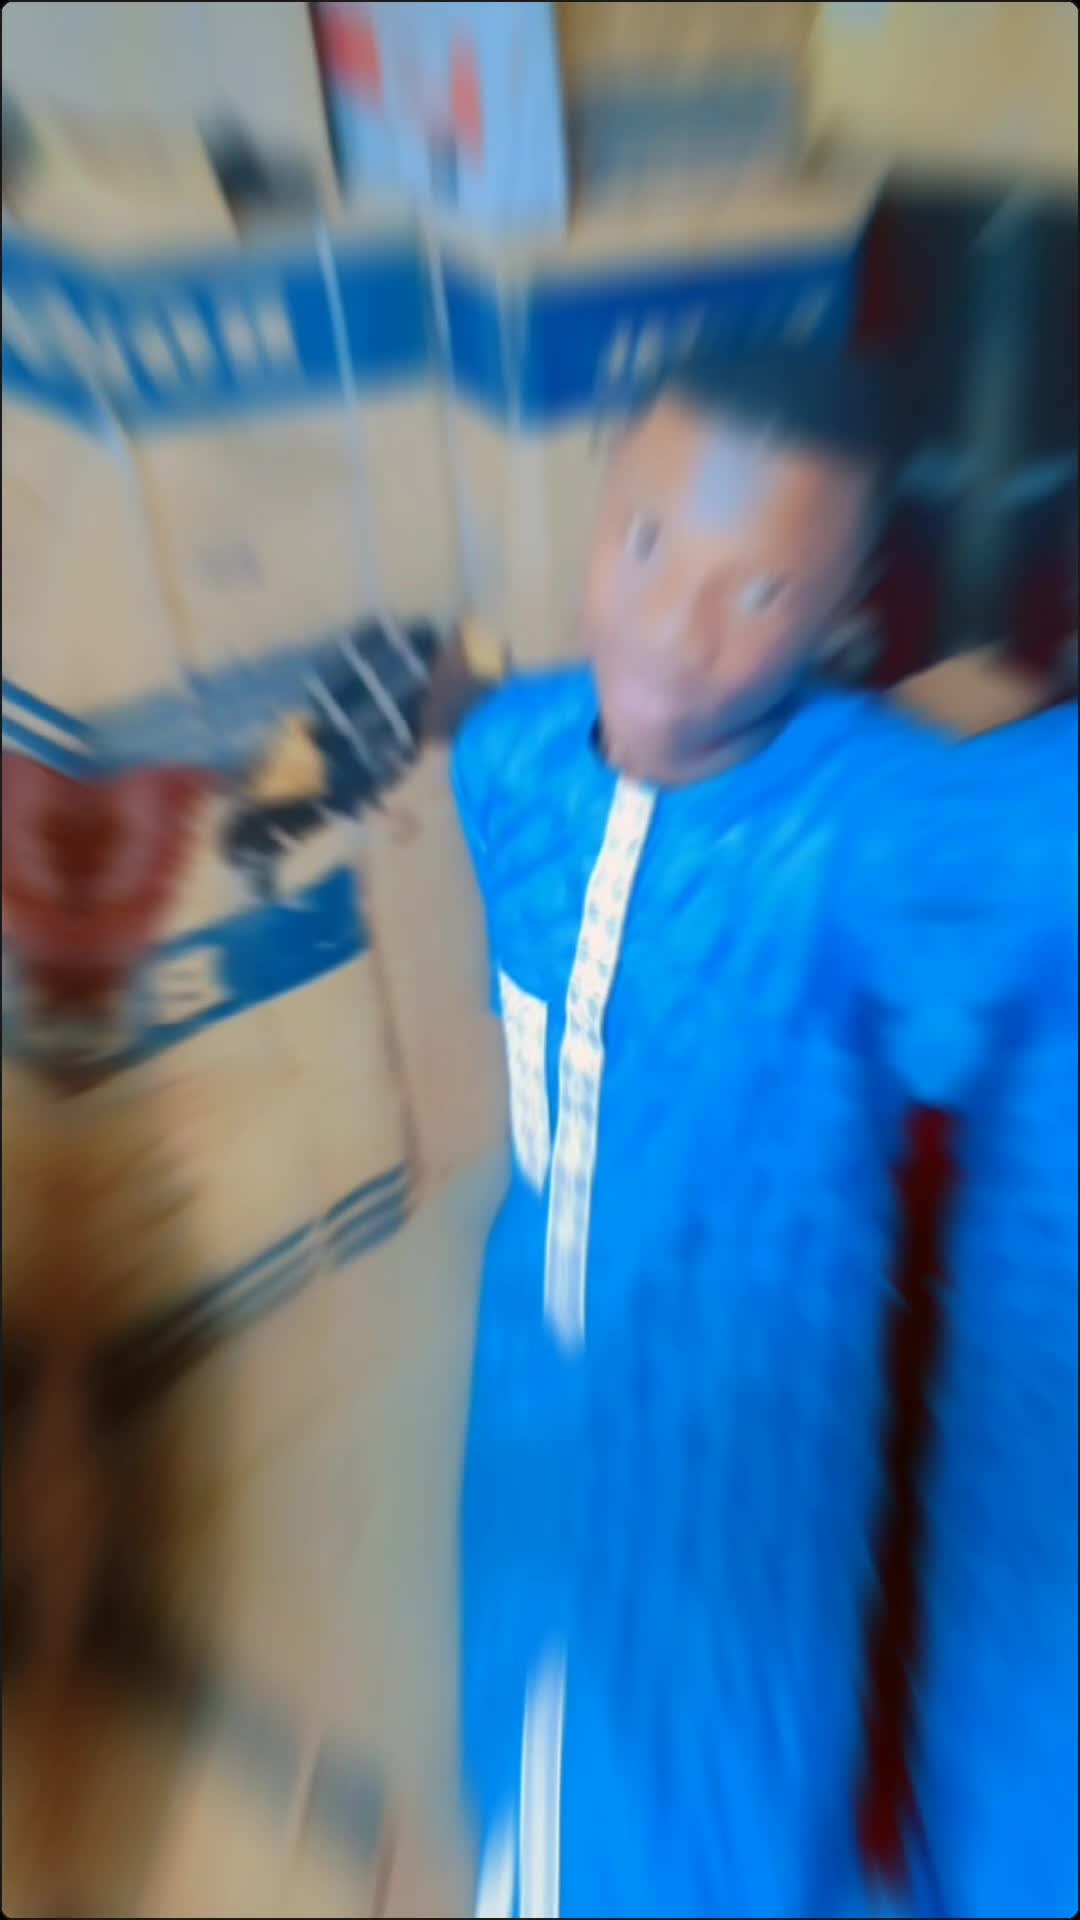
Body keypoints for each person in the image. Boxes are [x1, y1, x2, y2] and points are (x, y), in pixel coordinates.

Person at [450, 350, 1075, 1918]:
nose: (673, 633)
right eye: (647, 543)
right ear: (600, 509)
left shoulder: (880, 833)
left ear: (843, 613)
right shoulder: (508, 758)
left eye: (759, 592)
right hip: (532, 1404)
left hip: (748, 1457)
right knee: (533, 1785)